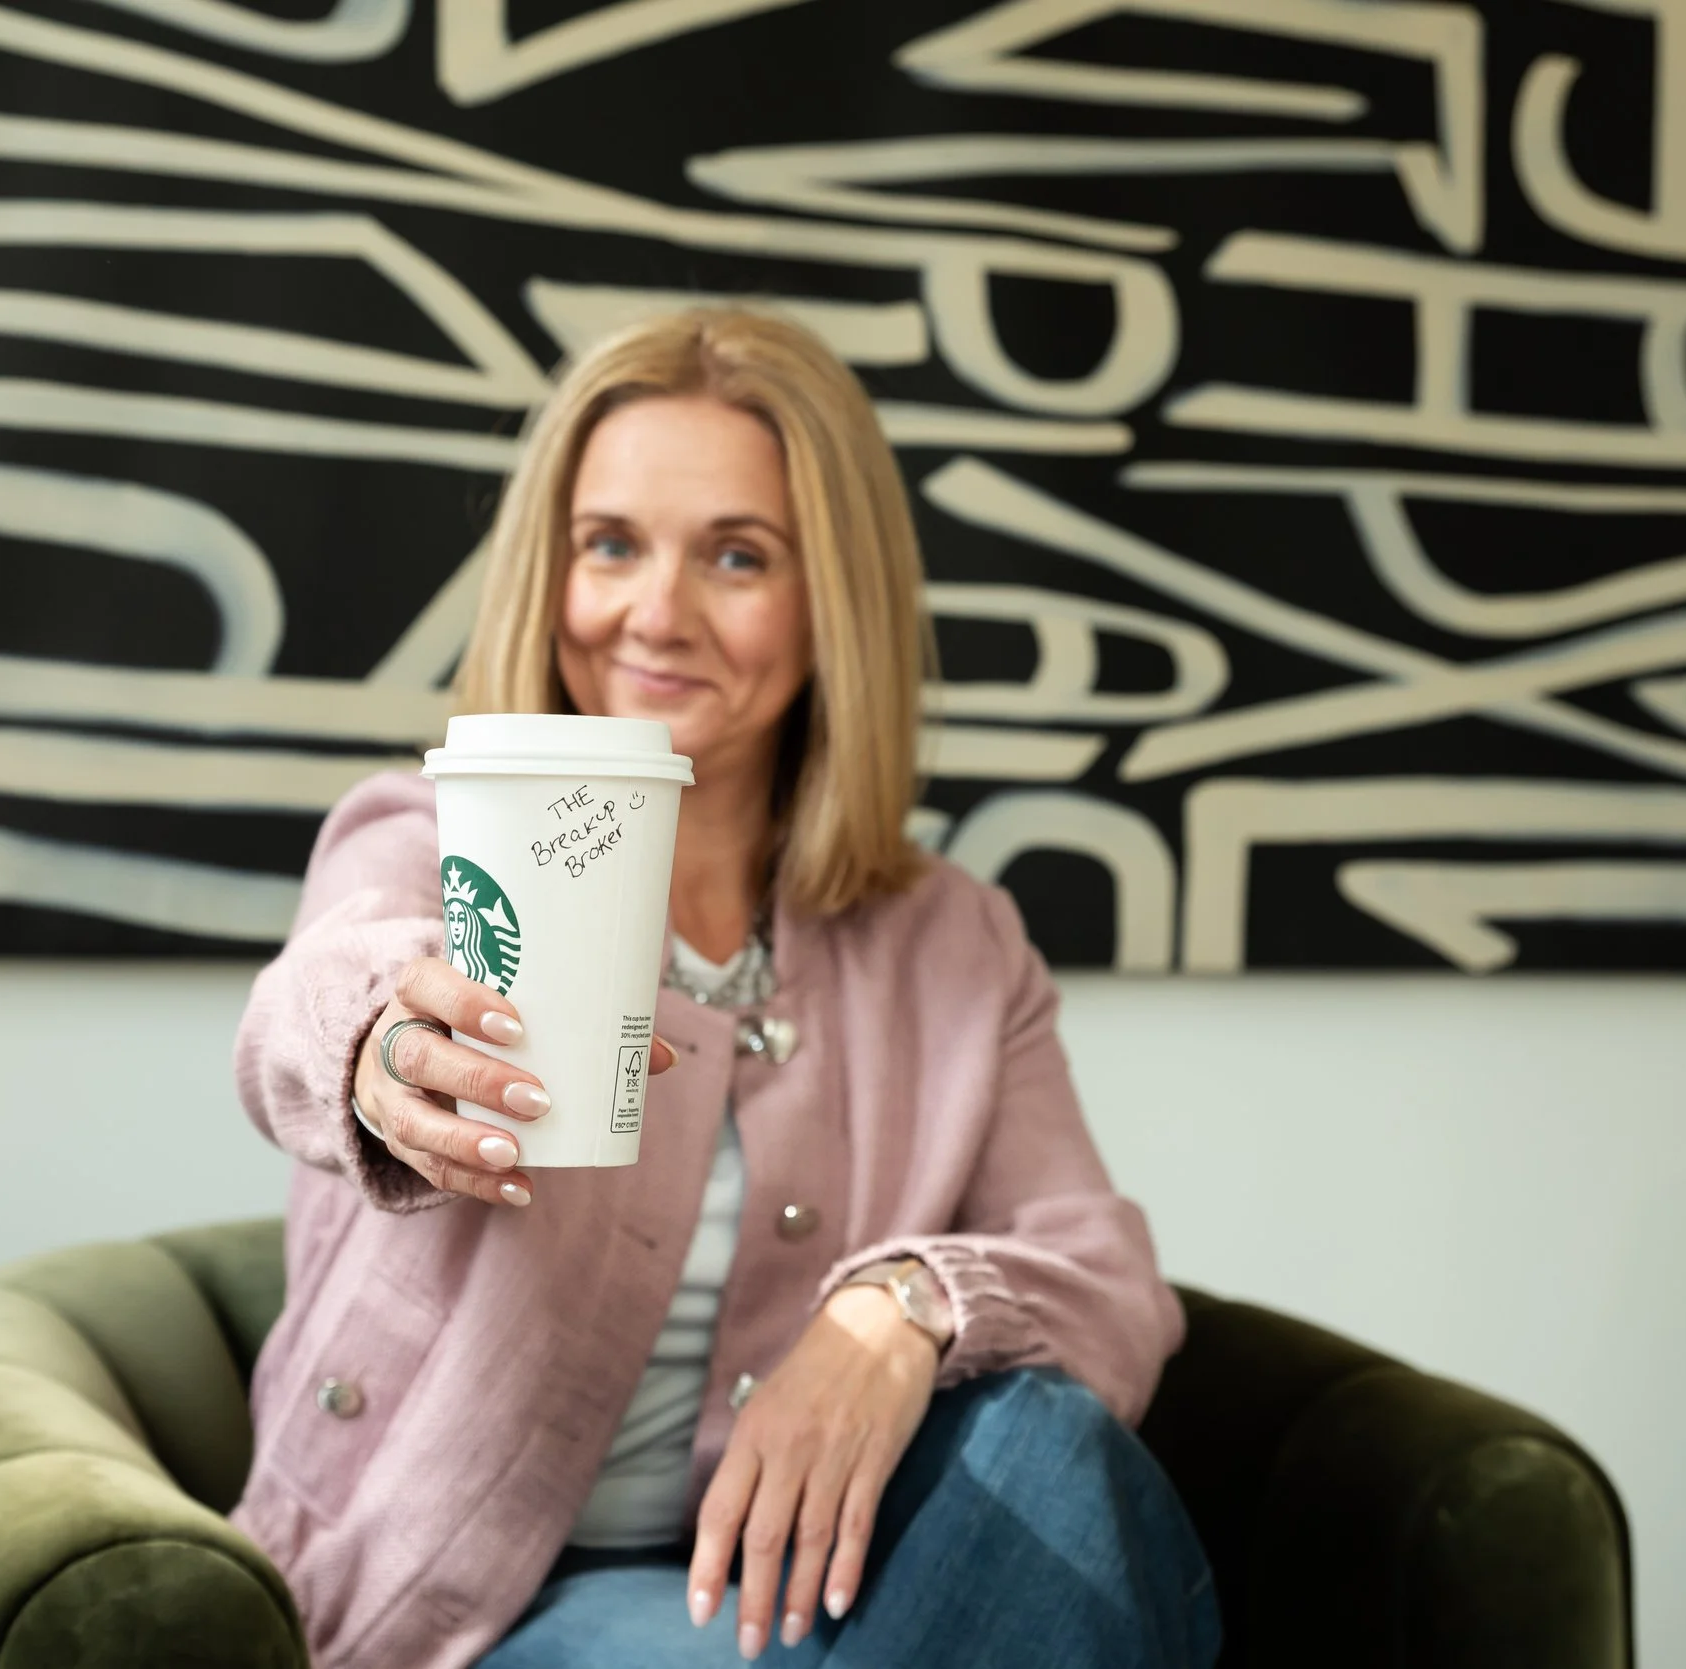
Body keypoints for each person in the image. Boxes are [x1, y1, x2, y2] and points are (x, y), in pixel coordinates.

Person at [231, 309, 1216, 1669]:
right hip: (471, 1615)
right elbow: (311, 1008)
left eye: (737, 557)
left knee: (1053, 1449)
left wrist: (901, 1312)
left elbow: (1108, 1282)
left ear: (834, 604)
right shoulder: (435, 842)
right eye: (610, 544)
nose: (655, 613)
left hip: (815, 1601)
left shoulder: (952, 941)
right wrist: (391, 1054)